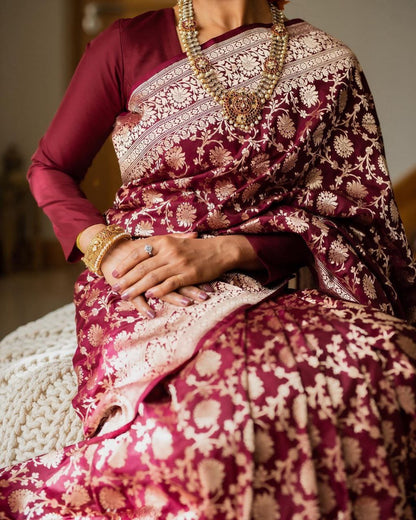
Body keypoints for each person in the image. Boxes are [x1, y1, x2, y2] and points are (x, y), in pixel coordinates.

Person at [1, 0, 416, 518]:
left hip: (269, 275)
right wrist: (105, 249)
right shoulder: (127, 45)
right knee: (217, 409)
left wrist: (227, 250)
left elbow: (356, 219)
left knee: (390, 358)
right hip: (151, 275)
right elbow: (51, 168)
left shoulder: (327, 64)